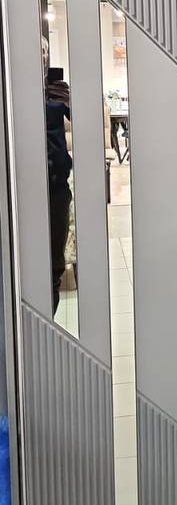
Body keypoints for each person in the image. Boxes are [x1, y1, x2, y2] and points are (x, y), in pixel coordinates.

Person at [42, 37, 72, 314]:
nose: (43, 58)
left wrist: (70, 102)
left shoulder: (56, 93)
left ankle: (45, 326)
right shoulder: (13, 92)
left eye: (45, 54)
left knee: (54, 268)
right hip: (23, 190)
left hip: (57, 190)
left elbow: (84, 123)